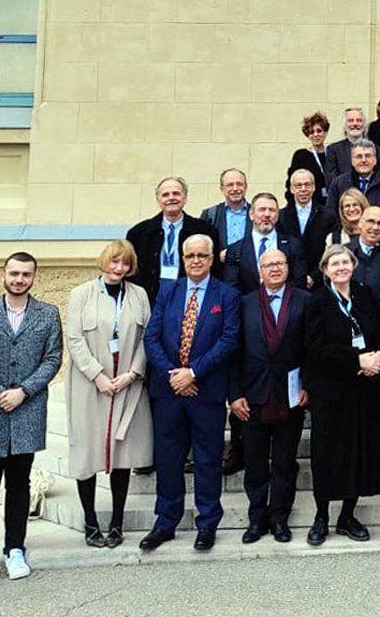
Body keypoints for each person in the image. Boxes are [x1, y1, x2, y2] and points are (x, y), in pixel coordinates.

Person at [0, 253, 62, 590]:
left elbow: (53, 358)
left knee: (19, 486)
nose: (19, 279)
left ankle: (15, 548)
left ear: (34, 276)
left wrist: (23, 391)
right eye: (14, 273)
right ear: (3, 274)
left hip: (27, 409)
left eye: (26, 274)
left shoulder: (48, 314)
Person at [139, 234, 240, 553]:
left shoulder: (227, 295)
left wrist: (193, 372)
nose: (196, 260)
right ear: (183, 259)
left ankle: (207, 522)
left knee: (208, 459)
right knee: (168, 459)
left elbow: (228, 340)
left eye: (202, 255)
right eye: (190, 256)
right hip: (168, 391)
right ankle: (165, 522)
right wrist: (174, 374)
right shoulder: (167, 292)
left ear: (212, 258)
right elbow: (151, 337)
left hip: (205, 391)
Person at [65, 240, 153, 551]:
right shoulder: (81, 294)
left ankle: (116, 523)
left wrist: (133, 373)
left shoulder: (138, 295)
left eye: (125, 264)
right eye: (115, 262)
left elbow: (147, 338)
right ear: (105, 262)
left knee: (122, 455)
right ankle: (91, 522)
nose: (119, 268)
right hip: (91, 385)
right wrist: (97, 375)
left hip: (127, 382)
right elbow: (74, 339)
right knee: (88, 451)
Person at [304, 245, 380, 545]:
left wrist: (376, 357)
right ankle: (322, 516)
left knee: (358, 453)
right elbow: (315, 349)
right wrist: (356, 360)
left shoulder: (365, 295)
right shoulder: (317, 302)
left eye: (345, 262)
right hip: (330, 391)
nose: (340, 267)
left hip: (364, 389)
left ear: (353, 266)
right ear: (325, 270)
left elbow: (378, 333)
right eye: (334, 263)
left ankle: (348, 516)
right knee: (327, 454)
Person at [229, 247, 311, 545]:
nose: (275, 269)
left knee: (285, 462)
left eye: (280, 263)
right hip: (253, 396)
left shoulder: (304, 301)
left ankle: (279, 518)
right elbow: (234, 351)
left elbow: (311, 350)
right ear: (259, 271)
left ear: (288, 267)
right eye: (268, 265)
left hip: (291, 395)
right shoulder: (244, 303)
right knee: (255, 461)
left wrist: (308, 387)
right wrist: (235, 394)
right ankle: (256, 519)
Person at [125, 176, 219, 306]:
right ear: (158, 200)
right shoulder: (139, 233)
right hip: (149, 300)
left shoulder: (204, 231)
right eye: (165, 195)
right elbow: (130, 272)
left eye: (176, 193)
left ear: (185, 198)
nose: (171, 198)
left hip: (192, 300)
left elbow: (215, 269)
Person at [223, 192, 305, 297]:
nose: (267, 214)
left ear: (277, 215)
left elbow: (299, 282)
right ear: (251, 214)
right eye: (262, 209)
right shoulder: (236, 250)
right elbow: (231, 287)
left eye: (272, 210)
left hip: (286, 307)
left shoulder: (293, 245)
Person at [278, 168, 332, 290]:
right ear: (291, 189)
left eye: (307, 185)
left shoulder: (327, 216)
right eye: (298, 185)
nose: (303, 189)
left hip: (320, 282)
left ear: (313, 187)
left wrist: (313, 276)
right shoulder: (281, 217)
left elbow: (330, 252)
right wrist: (297, 278)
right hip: (289, 283)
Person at [326, 140, 380, 225]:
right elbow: (331, 216)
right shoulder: (339, 184)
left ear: (375, 160)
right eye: (359, 156)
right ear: (352, 161)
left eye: (368, 156)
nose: (363, 160)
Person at [200, 168, 251, 263]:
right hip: (221, 273)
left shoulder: (257, 213)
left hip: (250, 272)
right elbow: (201, 247)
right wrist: (216, 256)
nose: (235, 189)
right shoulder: (210, 215)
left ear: (246, 187)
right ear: (222, 189)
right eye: (230, 185)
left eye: (239, 184)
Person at [287, 111, 332, 203]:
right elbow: (291, 182)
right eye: (311, 132)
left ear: (326, 132)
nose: (316, 135)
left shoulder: (332, 153)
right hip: (310, 202)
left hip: (331, 203)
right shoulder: (301, 156)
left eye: (319, 131)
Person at [324, 106, 368, 184]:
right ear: (344, 125)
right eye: (350, 121)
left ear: (364, 125)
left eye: (359, 120)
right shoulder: (333, 151)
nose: (355, 124)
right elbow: (332, 181)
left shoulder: (376, 150)